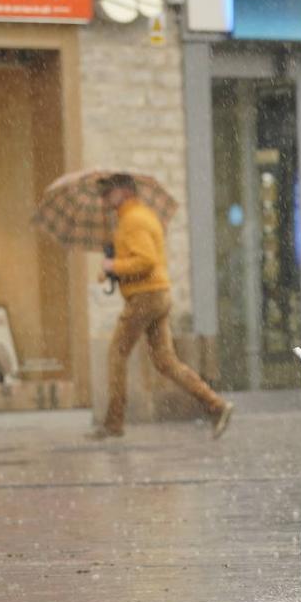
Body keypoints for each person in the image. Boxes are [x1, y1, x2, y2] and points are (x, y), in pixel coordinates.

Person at [91, 173, 234, 440]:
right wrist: (111, 269)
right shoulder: (135, 218)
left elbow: (145, 260)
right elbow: (140, 259)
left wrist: (114, 266)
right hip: (156, 294)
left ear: (123, 192)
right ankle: (216, 405)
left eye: (107, 193)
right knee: (165, 361)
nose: (104, 199)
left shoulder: (133, 220)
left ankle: (113, 422)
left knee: (116, 353)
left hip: (145, 297)